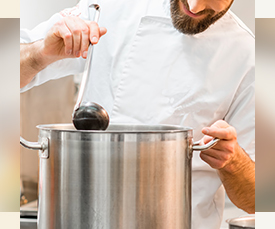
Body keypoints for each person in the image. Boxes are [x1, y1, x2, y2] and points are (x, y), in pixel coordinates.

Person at [20, 0, 255, 228]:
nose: (194, 7)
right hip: (86, 218)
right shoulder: (109, 7)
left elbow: (255, 200)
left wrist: (233, 162)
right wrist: (40, 53)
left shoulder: (246, 56)